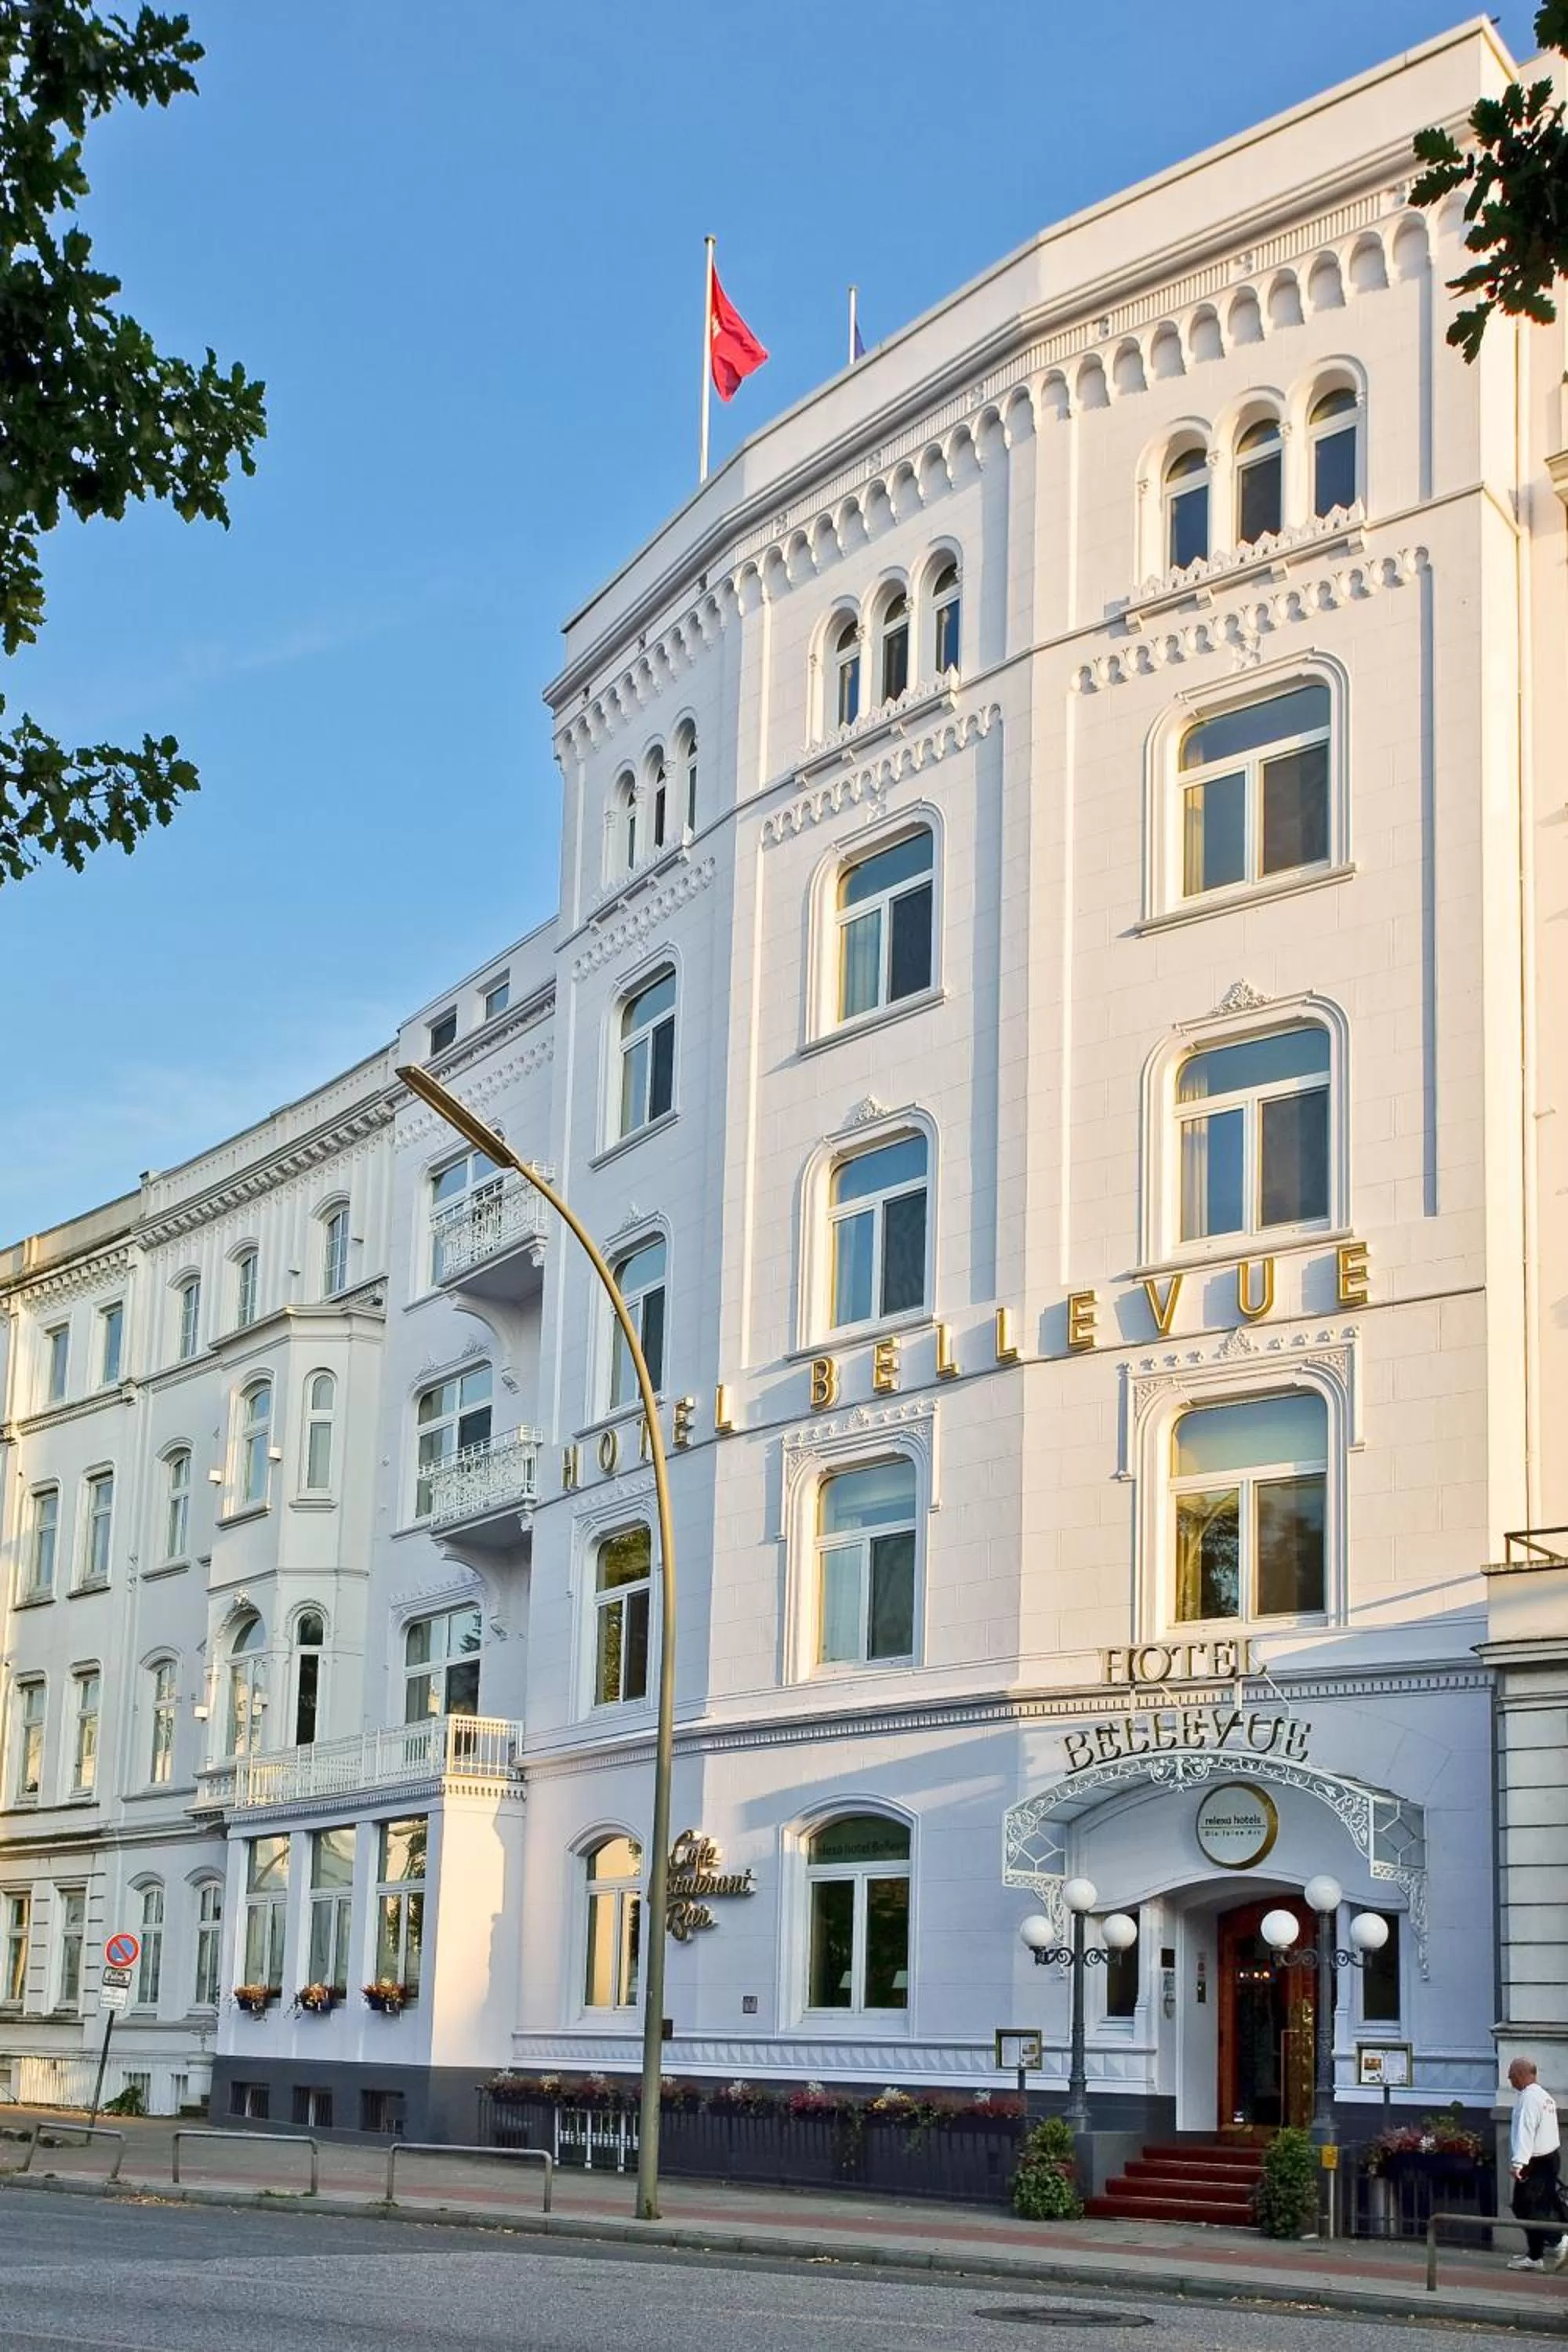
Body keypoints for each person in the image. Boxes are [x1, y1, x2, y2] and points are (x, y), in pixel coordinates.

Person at [1507, 2056, 1568, 2272]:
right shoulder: (1545, 2097)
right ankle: (1535, 2255)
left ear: (1522, 2075)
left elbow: (1526, 2131)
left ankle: (1560, 2242)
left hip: (1535, 2161)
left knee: (1525, 2206)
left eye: (1512, 2074)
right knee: (1544, 2204)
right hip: (1550, 2157)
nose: (1509, 2079)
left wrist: (1518, 2163)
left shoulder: (1528, 2099)